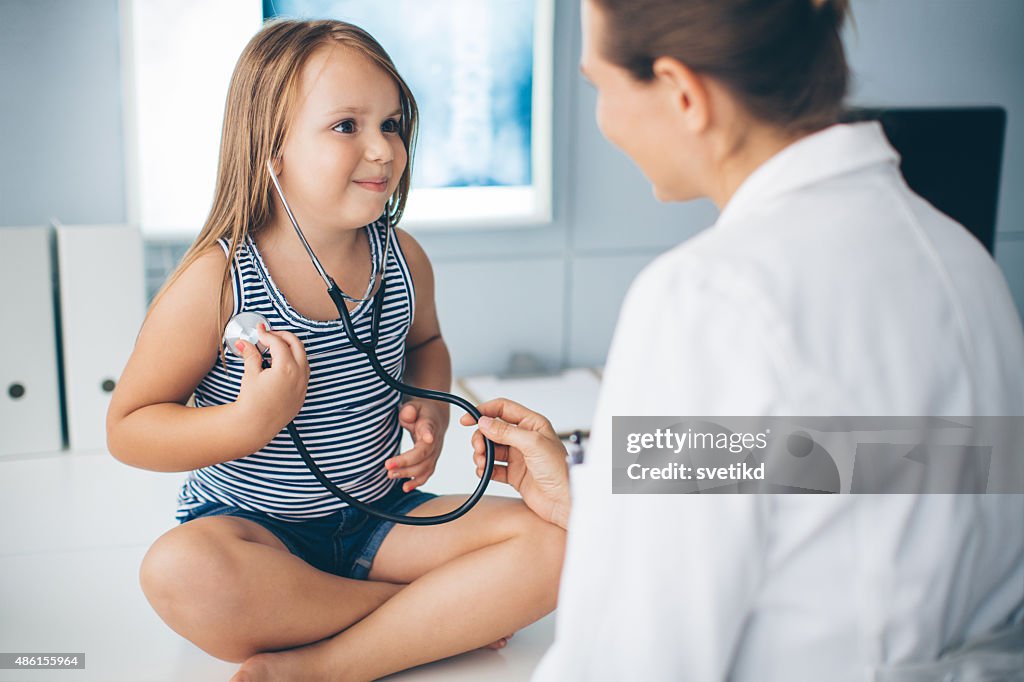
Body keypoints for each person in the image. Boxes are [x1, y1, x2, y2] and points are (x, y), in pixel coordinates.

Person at [462, 0, 1024, 679]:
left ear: (682, 92)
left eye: (599, 88)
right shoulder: (960, 258)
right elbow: (876, 489)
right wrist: (600, 506)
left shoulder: (708, 297)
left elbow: (634, 660)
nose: (603, 120)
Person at [105, 19, 565, 682]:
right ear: (272, 147)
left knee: (551, 541)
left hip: (379, 517)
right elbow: (128, 428)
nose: (382, 149)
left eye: (393, 123)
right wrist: (246, 423)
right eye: (347, 126)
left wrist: (427, 413)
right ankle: (429, 616)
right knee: (179, 571)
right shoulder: (217, 280)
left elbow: (426, 345)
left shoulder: (402, 259)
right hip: (251, 531)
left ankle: (327, 663)